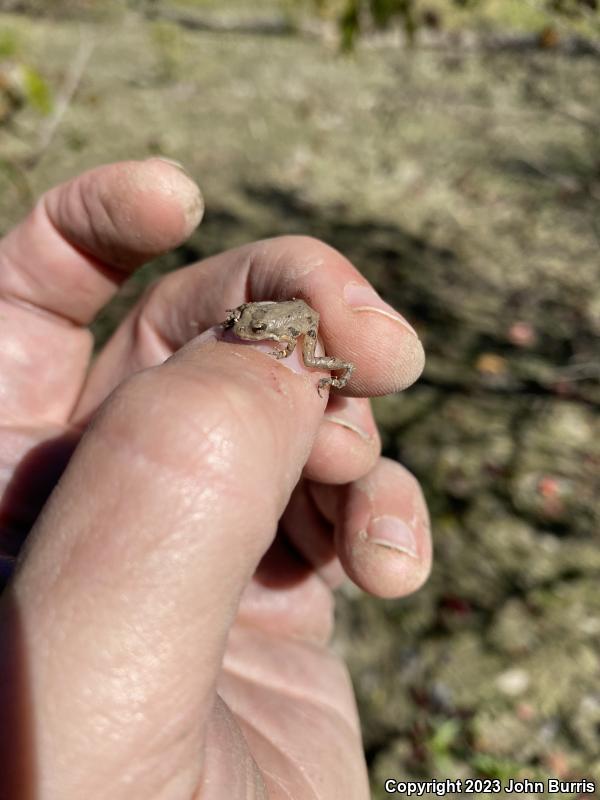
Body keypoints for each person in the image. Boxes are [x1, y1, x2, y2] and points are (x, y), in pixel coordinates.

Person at [0, 158, 432, 798]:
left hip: (304, 340)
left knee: (331, 400)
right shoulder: (247, 325)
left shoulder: (287, 332)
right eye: (244, 325)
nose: (244, 334)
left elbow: (290, 331)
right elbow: (248, 320)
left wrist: (295, 361)